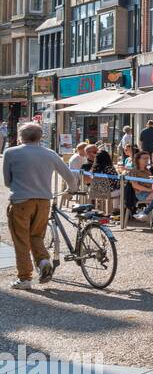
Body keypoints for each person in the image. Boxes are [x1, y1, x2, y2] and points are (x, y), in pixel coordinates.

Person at [2, 123, 82, 288]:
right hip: (44, 201)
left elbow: (7, 182)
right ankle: (43, 261)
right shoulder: (50, 154)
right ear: (40, 137)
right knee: (36, 236)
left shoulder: (10, 152)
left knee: (21, 240)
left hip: (20, 201)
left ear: (20, 136)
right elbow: (69, 176)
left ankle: (25, 278)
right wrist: (71, 190)